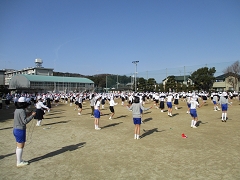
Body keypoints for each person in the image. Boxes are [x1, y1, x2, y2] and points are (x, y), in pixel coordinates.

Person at [13, 97, 36, 167]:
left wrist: (28, 114)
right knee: (20, 146)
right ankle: (19, 162)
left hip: (15, 129)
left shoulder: (17, 110)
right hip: (20, 130)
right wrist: (32, 116)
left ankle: (19, 160)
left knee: (18, 146)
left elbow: (22, 116)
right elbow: (25, 121)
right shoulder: (22, 111)